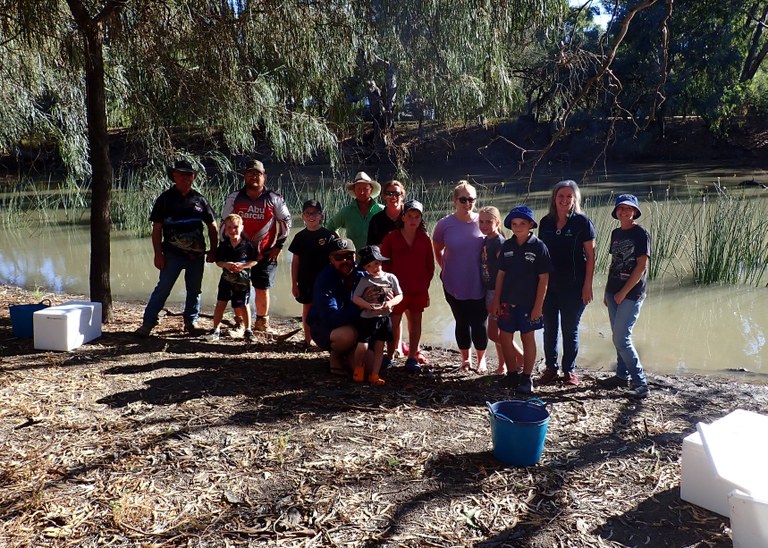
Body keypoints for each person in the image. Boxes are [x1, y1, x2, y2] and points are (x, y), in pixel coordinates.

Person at [136, 160, 218, 337]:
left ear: (194, 177)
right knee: (163, 288)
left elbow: (213, 226)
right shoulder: (165, 199)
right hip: (171, 255)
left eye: (189, 174)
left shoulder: (200, 200)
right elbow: (157, 229)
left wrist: (214, 249)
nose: (185, 178)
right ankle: (148, 324)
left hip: (196, 256)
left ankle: (191, 322)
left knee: (194, 290)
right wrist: (158, 254)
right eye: (181, 174)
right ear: (174, 176)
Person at [221, 159, 291, 333]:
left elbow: (286, 221)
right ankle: (240, 323)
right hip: (238, 253)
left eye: (258, 174)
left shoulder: (274, 198)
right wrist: (224, 248)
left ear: (264, 177)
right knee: (236, 287)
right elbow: (224, 222)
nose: (254, 176)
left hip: (265, 252)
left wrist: (279, 246)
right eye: (250, 173)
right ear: (245, 176)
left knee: (262, 288)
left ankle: (261, 323)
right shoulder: (234, 197)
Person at [537, 180, 596, 386]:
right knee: (549, 328)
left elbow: (591, 255)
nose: (564, 200)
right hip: (549, 286)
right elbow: (540, 255)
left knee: (570, 329)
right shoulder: (545, 223)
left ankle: (569, 370)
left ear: (575, 199)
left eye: (569, 196)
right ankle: (551, 368)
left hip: (574, 286)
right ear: (554, 198)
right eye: (561, 196)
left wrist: (587, 285)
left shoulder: (582, 223)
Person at [492, 206, 552, 395]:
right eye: (515, 224)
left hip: (529, 303)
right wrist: (496, 300)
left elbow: (544, 279)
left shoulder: (539, 246)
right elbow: (501, 274)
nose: (518, 227)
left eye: (522, 224)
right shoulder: (507, 246)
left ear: (530, 225)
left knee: (528, 337)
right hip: (507, 302)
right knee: (504, 337)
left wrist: (538, 306)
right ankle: (511, 374)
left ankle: (526, 377)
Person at [599, 194, 651, 400]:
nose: (624, 211)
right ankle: (621, 376)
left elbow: (641, 266)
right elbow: (614, 263)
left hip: (631, 293)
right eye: (620, 208)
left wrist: (623, 292)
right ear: (616, 212)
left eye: (628, 209)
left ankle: (641, 383)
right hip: (613, 291)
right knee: (617, 337)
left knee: (622, 338)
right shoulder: (616, 233)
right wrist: (607, 291)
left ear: (635, 212)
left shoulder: (641, 234)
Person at [432, 181, 488, 372]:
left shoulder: (483, 221)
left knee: (480, 323)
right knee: (462, 321)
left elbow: (497, 244)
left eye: (471, 199)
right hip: (453, 284)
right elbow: (437, 249)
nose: (467, 203)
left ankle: (481, 360)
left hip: (479, 283)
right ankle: (466, 359)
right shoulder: (444, 224)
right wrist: (446, 269)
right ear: (455, 201)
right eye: (463, 199)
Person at [380, 200, 434, 372]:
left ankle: (412, 357)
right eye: (409, 216)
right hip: (396, 291)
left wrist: (423, 285)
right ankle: (389, 356)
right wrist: (387, 288)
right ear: (403, 217)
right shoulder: (391, 237)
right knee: (393, 323)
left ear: (420, 219)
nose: (413, 220)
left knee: (415, 323)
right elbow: (384, 265)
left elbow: (430, 266)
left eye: (417, 217)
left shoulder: (425, 239)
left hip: (417, 290)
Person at [307, 238, 366, 376]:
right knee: (347, 335)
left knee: (367, 368)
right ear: (331, 259)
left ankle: (349, 354)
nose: (344, 261)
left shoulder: (364, 275)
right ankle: (336, 355)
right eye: (339, 257)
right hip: (325, 329)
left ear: (355, 256)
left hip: (355, 326)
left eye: (348, 256)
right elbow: (331, 318)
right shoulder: (324, 279)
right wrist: (360, 307)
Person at [479, 206, 523, 375]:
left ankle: (521, 357)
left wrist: (497, 298)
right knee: (498, 332)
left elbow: (506, 273)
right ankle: (502, 365)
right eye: (481, 221)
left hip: (497, 293)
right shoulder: (486, 240)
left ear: (497, 222)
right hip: (489, 290)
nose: (484, 225)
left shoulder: (499, 243)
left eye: (488, 222)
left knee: (494, 333)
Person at [351, 245, 403, 385]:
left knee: (380, 346)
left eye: (376, 263)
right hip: (367, 318)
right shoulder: (365, 280)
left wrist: (391, 303)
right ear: (365, 268)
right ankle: (358, 368)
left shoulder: (391, 278)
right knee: (363, 344)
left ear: (381, 262)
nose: (374, 267)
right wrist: (368, 306)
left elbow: (400, 295)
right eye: (369, 266)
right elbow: (355, 298)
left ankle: (375, 374)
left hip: (384, 318)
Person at [288, 200, 335, 348]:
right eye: (308, 213)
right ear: (303, 216)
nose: (311, 216)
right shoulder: (300, 237)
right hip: (305, 281)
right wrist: (294, 284)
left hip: (324, 281)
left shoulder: (328, 236)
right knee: (307, 310)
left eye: (315, 213)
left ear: (321, 216)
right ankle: (307, 340)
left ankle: (325, 340)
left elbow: (335, 261)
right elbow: (295, 262)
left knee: (325, 309)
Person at [206, 214, 259, 342]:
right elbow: (218, 262)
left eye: (235, 227)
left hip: (242, 281)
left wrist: (243, 265)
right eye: (229, 227)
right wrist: (226, 264)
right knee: (220, 304)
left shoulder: (248, 245)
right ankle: (216, 330)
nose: (232, 230)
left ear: (242, 227)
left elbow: (255, 261)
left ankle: (248, 330)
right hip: (226, 280)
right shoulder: (223, 246)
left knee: (244, 305)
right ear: (225, 229)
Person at [326, 171, 384, 250]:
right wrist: (340, 243)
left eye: (365, 189)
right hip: (354, 259)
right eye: (359, 188)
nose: (362, 192)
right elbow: (330, 227)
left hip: (376, 259)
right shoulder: (346, 212)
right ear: (354, 190)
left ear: (371, 190)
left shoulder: (381, 210)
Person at [367, 180, 406, 246]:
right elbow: (370, 247)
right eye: (389, 194)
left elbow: (424, 239)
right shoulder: (376, 220)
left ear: (402, 196)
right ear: (384, 196)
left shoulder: (411, 215)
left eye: (397, 194)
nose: (393, 197)